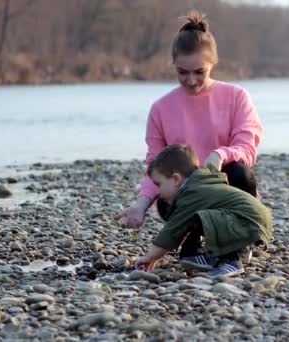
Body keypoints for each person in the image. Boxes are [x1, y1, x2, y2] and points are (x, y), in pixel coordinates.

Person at [114, 10, 263, 229]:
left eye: (199, 72)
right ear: (173, 63)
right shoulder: (160, 108)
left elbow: (247, 149)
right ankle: (193, 243)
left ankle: (241, 237)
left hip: (227, 188)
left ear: (213, 62)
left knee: (241, 172)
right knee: (170, 193)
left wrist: (220, 154)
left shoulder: (237, 96)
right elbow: (156, 167)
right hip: (184, 197)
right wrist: (141, 204)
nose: (191, 80)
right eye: (183, 72)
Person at [134, 144, 272, 277]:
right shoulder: (201, 178)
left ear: (175, 179)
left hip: (249, 221)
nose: (158, 191)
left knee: (196, 217)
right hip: (253, 218)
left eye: (159, 184)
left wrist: (149, 257)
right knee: (198, 217)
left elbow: (171, 231)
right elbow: (212, 164)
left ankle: (231, 261)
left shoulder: (191, 194)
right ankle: (194, 255)